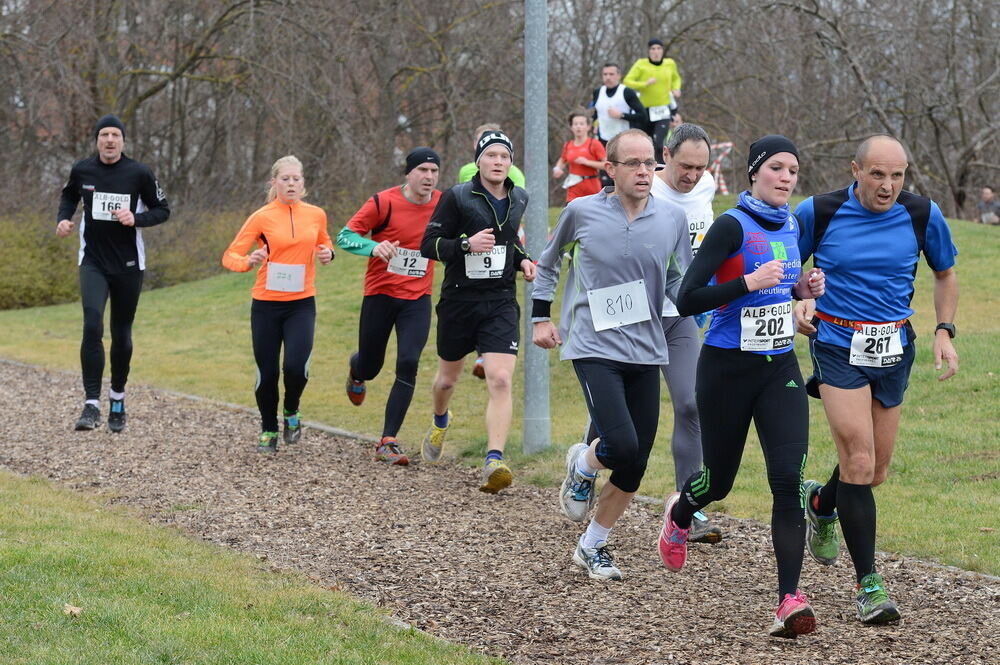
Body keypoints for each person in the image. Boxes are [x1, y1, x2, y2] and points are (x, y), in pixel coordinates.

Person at [659, 135, 826, 638]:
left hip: (779, 370)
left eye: (793, 170)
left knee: (787, 481)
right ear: (755, 172)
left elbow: (787, 284)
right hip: (726, 368)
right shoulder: (731, 226)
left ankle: (788, 599)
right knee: (721, 480)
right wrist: (748, 284)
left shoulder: (793, 224)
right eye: (776, 168)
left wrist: (804, 289)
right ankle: (682, 510)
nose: (786, 177)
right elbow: (688, 298)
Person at [793, 134, 959, 626]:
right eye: (878, 174)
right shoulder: (818, 212)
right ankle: (869, 587)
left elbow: (945, 273)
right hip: (837, 343)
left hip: (892, 346)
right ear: (855, 170)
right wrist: (799, 298)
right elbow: (784, 266)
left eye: (898, 175)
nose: (888, 186)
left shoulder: (921, 214)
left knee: (873, 472)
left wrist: (944, 331)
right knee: (859, 461)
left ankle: (821, 501)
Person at [533, 128, 692, 581]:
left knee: (636, 463)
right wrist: (540, 319)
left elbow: (681, 279)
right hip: (593, 343)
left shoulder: (671, 219)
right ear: (611, 169)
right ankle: (583, 463)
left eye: (650, 164)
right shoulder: (580, 212)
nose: (645, 172)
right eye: (634, 163)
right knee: (620, 445)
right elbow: (548, 263)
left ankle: (592, 545)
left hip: (646, 346)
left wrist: (702, 303)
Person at [420, 129, 536, 493]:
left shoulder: (520, 198)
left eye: (504, 157)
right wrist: (466, 245)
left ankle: (495, 460)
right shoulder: (457, 197)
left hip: (500, 301)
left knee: (500, 379)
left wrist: (524, 261)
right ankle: (440, 420)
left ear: (510, 163)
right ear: (479, 161)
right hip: (458, 300)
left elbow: (507, 244)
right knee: (447, 380)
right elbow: (428, 245)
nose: (498, 162)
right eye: (491, 156)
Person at [55, 114, 171, 433]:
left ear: (122, 141)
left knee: (121, 333)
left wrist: (136, 219)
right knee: (92, 325)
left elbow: (163, 209)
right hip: (92, 261)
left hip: (128, 265)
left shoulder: (139, 173)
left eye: (115, 135)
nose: (109, 140)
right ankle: (91, 403)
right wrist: (63, 219)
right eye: (104, 134)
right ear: (97, 140)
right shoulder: (83, 170)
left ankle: (117, 398)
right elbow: (69, 196)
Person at [336, 148, 443, 465]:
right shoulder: (382, 202)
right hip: (380, 294)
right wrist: (373, 246)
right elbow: (344, 236)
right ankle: (357, 370)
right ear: (409, 173)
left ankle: (388, 440)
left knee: (409, 361)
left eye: (434, 171)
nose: (428, 177)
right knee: (371, 364)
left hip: (417, 298)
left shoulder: (443, 204)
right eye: (422, 170)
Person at [222, 155, 333, 452]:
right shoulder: (261, 217)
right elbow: (230, 255)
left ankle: (291, 411)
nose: (292, 183)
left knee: (296, 367)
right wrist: (249, 261)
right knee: (267, 373)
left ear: (303, 183)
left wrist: (327, 254)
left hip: (301, 303)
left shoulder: (316, 214)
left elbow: (325, 242)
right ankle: (268, 428)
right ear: (275, 183)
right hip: (266, 305)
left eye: (296, 179)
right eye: (285, 179)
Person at [649, 122, 722, 542]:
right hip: (637, 316)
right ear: (666, 155)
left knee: (691, 404)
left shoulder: (707, 186)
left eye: (700, 167)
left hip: (681, 313)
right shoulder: (646, 189)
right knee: (618, 423)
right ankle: (584, 467)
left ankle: (687, 508)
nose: (692, 175)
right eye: (685, 166)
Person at [458, 123, 525, 379]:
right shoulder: (465, 172)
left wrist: (521, 255)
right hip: (470, 244)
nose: (497, 161)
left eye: (503, 155)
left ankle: (485, 354)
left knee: (496, 297)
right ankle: (477, 350)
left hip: (501, 241)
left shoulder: (514, 173)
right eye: (479, 141)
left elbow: (516, 205)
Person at [623, 38, 682, 163]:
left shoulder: (670, 63)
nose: (656, 52)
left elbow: (676, 78)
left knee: (659, 143)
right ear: (649, 51)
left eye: (659, 48)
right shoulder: (641, 64)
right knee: (644, 146)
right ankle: (644, 170)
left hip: (662, 109)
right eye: (653, 49)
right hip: (644, 111)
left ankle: (659, 171)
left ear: (662, 50)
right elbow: (627, 81)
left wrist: (676, 88)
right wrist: (645, 83)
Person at [551, 109, 606, 203]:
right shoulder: (568, 145)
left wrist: (587, 162)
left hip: (591, 186)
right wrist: (557, 168)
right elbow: (563, 159)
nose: (578, 127)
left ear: (588, 127)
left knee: (591, 216)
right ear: (571, 127)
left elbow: (606, 165)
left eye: (581, 124)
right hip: (574, 187)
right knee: (572, 213)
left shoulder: (594, 144)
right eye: (575, 124)